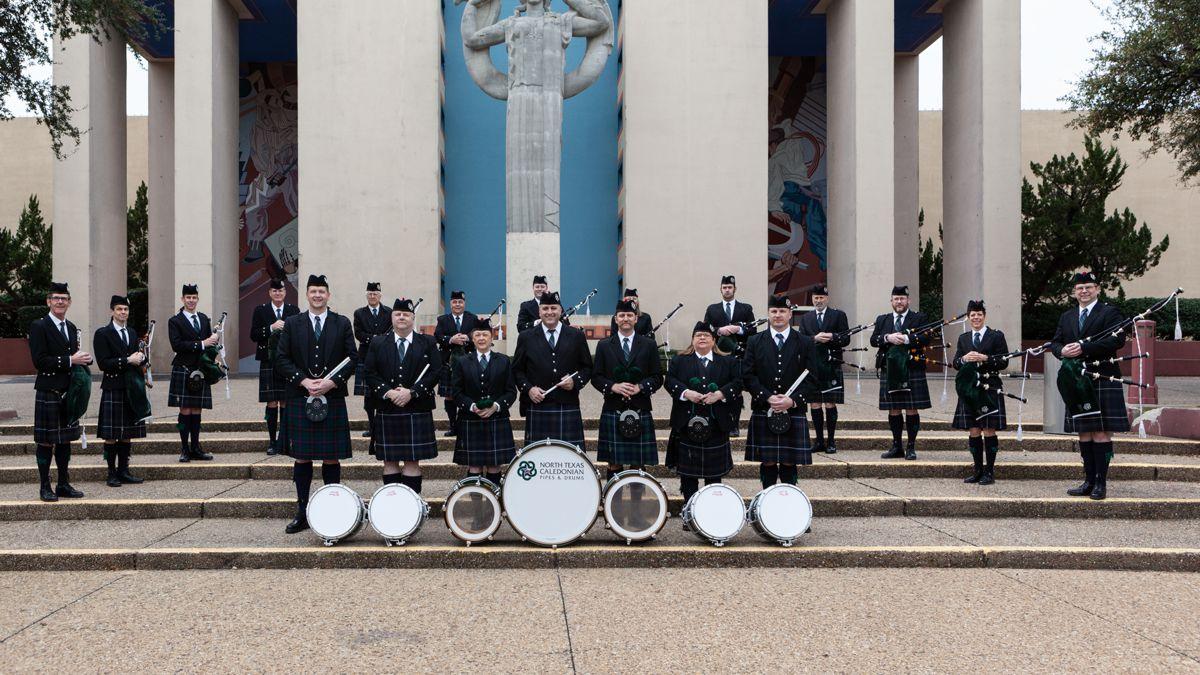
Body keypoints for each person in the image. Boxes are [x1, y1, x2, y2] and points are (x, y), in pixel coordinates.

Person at [275, 274, 357, 534]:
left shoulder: (341, 323)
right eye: (313, 291)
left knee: (331, 458)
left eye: (322, 291)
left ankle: (332, 511)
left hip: (331, 397)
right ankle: (302, 511)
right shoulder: (292, 323)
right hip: (301, 396)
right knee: (302, 457)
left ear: (328, 295)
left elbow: (353, 358)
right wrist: (303, 381)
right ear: (307, 295)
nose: (318, 295)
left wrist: (333, 383)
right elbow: (281, 358)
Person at [1051, 271, 1131, 500]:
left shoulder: (1109, 312)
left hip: (1102, 377)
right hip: (1076, 380)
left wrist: (1084, 348)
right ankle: (1087, 480)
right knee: (1084, 432)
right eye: (1079, 288)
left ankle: (1100, 484)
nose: (1084, 291)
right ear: (1074, 292)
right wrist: (1061, 351)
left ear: (1097, 289)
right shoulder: (1067, 316)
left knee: (1101, 433)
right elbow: (1056, 342)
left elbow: (1117, 339)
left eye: (1088, 287)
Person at [364, 298, 442, 493]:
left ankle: (411, 507)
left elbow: (436, 372)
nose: (401, 317)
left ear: (413, 318)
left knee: (412, 461)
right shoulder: (378, 342)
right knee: (389, 461)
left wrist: (412, 392)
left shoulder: (428, 342)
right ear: (391, 317)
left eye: (406, 314)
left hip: (416, 408)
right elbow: (369, 372)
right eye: (398, 314)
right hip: (387, 408)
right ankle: (392, 505)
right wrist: (388, 392)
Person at [28, 282, 92, 501]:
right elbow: (39, 361)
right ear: (48, 301)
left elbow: (73, 358)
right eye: (56, 298)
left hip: (68, 393)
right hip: (49, 390)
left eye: (64, 298)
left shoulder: (72, 327)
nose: (60, 302)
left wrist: (82, 360)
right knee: (46, 441)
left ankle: (63, 484)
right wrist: (70, 360)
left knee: (65, 440)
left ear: (69, 302)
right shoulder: (39, 326)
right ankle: (45, 486)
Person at [743, 295, 815, 489]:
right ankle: (766, 502)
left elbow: (813, 378)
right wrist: (767, 397)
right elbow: (748, 376)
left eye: (782, 311)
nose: (778, 315)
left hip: (793, 410)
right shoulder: (755, 341)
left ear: (790, 314)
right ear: (768, 314)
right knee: (767, 460)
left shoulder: (805, 342)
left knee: (789, 460)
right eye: (774, 311)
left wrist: (793, 401)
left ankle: (789, 503)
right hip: (763, 408)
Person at [665, 322, 741, 503]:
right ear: (692, 340)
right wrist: (686, 393)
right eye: (698, 335)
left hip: (716, 425)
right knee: (688, 475)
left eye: (706, 335)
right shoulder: (679, 360)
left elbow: (738, 382)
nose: (702, 338)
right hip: (686, 424)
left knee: (714, 476)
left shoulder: (728, 361)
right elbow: (669, 381)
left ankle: (709, 510)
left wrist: (720, 394)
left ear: (714, 340)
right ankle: (689, 510)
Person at [592, 298, 664, 478]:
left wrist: (641, 387)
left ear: (636, 319)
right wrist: (613, 386)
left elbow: (657, 377)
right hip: (613, 408)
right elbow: (596, 377)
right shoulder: (604, 345)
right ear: (615, 319)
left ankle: (636, 505)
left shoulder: (648, 344)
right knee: (613, 462)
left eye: (629, 315)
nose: (625, 318)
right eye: (622, 315)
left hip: (640, 407)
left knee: (637, 464)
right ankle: (611, 503)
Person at [512, 291, 593, 447]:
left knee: (569, 458)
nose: (549, 312)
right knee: (538, 457)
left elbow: (587, 367)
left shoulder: (576, 336)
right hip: (538, 405)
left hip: (567, 404)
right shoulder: (526, 337)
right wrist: (528, 389)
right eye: (545, 308)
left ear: (560, 310)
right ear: (539, 311)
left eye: (553, 308)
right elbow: (517, 370)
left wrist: (575, 381)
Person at [449, 318, 518, 485]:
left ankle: (494, 503)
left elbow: (511, 392)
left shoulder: (503, 361)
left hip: (497, 418)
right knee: (474, 467)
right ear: (472, 339)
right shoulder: (462, 362)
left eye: (485, 334)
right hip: (470, 419)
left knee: (495, 465)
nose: (481, 338)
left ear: (491, 338)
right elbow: (456, 392)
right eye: (477, 335)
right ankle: (478, 507)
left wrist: (496, 406)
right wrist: (472, 406)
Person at [869, 285, 932, 460]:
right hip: (890, 369)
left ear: (908, 301)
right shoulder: (883, 319)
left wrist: (906, 338)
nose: (899, 302)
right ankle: (897, 446)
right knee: (893, 409)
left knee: (911, 408)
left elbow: (927, 336)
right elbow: (874, 340)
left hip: (912, 368)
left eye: (902, 299)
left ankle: (911, 447)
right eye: (896, 299)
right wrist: (887, 338)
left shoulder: (919, 318)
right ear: (891, 301)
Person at [952, 300, 1010, 485]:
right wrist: (963, 359)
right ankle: (977, 470)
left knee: (988, 429)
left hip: (989, 387)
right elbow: (955, 363)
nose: (976, 317)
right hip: (969, 390)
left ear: (984, 316)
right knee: (974, 429)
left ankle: (989, 472)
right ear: (969, 318)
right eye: (972, 315)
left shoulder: (996, 336)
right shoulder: (963, 338)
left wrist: (986, 358)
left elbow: (1004, 361)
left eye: (979, 314)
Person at [93, 295, 148, 487]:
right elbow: (103, 364)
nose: (123, 312)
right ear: (112, 311)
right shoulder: (102, 333)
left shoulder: (132, 332)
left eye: (125, 309)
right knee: (111, 435)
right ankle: (111, 473)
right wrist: (127, 360)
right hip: (113, 387)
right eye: (119, 309)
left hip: (131, 387)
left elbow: (137, 359)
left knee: (127, 433)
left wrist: (142, 357)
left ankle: (124, 471)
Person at [167, 284, 219, 463]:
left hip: (200, 369)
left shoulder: (204, 319)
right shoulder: (175, 321)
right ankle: (184, 448)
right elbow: (177, 345)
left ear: (197, 299)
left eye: (194, 297)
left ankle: (196, 447)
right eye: (188, 297)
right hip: (183, 368)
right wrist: (203, 343)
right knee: (185, 409)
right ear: (182, 299)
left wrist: (213, 354)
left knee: (197, 409)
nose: (191, 300)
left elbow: (208, 347)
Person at [797, 284, 850, 454]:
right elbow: (800, 341)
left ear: (827, 298)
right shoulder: (806, 318)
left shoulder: (838, 315)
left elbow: (846, 338)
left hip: (831, 365)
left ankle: (831, 441)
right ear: (812, 299)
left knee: (829, 403)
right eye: (815, 298)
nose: (818, 301)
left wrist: (833, 337)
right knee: (815, 404)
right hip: (813, 366)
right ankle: (819, 441)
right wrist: (814, 338)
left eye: (821, 298)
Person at [250, 278, 299, 455]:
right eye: (275, 291)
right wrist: (270, 327)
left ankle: (285, 440)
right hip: (268, 361)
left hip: (287, 362)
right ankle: (272, 441)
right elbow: (253, 335)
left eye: (281, 291)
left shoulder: (293, 310)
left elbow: (299, 336)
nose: (278, 293)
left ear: (285, 293)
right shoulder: (261, 310)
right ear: (270, 293)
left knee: (286, 401)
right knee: (271, 402)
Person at [703, 275, 757, 436]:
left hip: (739, 354)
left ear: (735, 289)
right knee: (719, 388)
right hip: (719, 354)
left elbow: (753, 330)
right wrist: (719, 331)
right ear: (721, 289)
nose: (727, 290)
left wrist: (737, 329)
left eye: (730, 287)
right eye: (724, 287)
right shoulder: (712, 309)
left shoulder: (746, 308)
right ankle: (720, 422)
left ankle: (734, 425)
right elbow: (706, 329)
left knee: (737, 389)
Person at [434, 290, 478, 437]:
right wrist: (450, 340)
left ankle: (465, 425)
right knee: (450, 396)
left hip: (469, 362)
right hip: (448, 362)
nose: (457, 304)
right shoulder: (443, 319)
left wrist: (469, 338)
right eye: (454, 302)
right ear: (450, 304)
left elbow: (481, 334)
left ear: (464, 303)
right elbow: (437, 336)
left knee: (468, 393)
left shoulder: (473, 319)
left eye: (460, 302)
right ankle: (453, 426)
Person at [353, 282, 390, 441]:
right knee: (368, 397)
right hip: (366, 356)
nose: (372, 296)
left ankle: (383, 425)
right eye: (370, 293)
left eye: (375, 293)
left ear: (380, 295)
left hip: (384, 358)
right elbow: (359, 334)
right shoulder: (359, 313)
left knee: (384, 393)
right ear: (366, 295)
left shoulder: (389, 312)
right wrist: (374, 339)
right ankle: (371, 426)